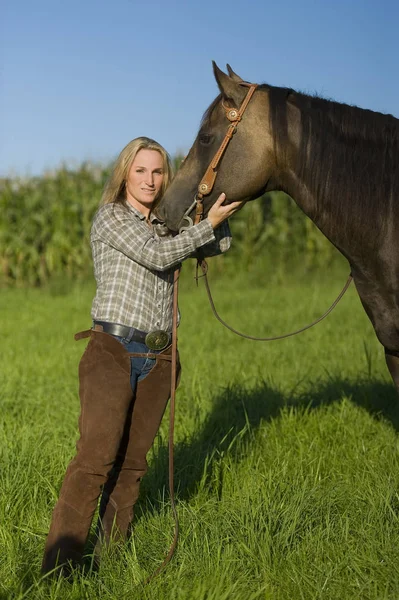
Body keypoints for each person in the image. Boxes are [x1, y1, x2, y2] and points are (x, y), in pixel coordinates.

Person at [41, 136, 245, 575]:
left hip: (161, 356)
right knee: (95, 461)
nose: (150, 180)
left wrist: (210, 207)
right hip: (113, 351)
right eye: (141, 171)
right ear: (125, 175)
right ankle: (59, 569)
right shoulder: (111, 217)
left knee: (134, 465)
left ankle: (111, 560)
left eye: (158, 172)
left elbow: (219, 245)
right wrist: (203, 225)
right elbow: (156, 256)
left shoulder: (168, 225)